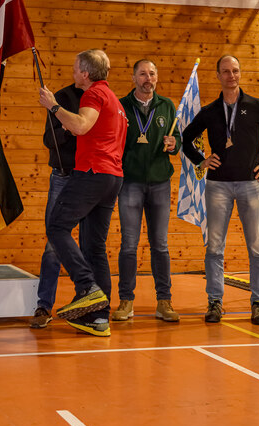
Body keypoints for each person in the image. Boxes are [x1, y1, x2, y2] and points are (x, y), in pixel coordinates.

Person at [181, 55, 259, 325]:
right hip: (217, 186)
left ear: (240, 74)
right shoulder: (209, 111)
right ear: (218, 76)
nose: (231, 76)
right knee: (214, 248)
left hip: (250, 185)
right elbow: (186, 138)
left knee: (257, 247)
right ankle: (215, 301)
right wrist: (201, 160)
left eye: (235, 71)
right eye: (226, 71)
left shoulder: (257, 106)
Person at [38, 49, 127, 337]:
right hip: (112, 178)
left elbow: (80, 126)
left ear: (86, 73)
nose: (73, 72)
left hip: (93, 173)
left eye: (76, 68)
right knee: (94, 247)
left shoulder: (94, 94)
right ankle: (99, 318)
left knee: (56, 226)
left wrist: (53, 106)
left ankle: (87, 286)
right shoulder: (114, 100)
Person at [112, 59, 182, 323]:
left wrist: (174, 144)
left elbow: (178, 139)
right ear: (133, 78)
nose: (148, 78)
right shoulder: (121, 106)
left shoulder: (167, 106)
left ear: (157, 77)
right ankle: (126, 301)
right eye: (142, 74)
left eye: (152, 74)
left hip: (160, 183)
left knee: (160, 245)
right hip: (130, 183)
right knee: (129, 245)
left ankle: (164, 301)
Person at [30, 83, 87, 328]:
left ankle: (85, 303)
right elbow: (49, 139)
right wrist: (68, 131)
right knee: (54, 242)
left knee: (89, 243)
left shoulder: (101, 97)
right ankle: (44, 305)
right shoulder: (62, 96)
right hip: (63, 176)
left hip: (90, 178)